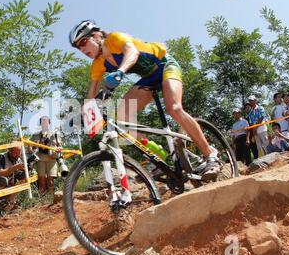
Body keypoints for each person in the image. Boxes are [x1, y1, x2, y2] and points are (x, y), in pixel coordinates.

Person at [68, 20, 221, 181]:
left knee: (174, 108)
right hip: (149, 78)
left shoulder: (114, 38)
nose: (82, 49)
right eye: (78, 47)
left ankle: (210, 154)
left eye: (84, 42)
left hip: (165, 65)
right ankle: (156, 155)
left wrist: (120, 71)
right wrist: (84, 112)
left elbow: (132, 53)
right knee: (121, 118)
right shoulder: (98, 64)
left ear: (97, 35)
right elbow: (91, 93)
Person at [0, 146, 25, 217]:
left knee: (23, 179)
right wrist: (15, 167)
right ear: (9, 150)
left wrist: (26, 171)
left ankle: (8, 206)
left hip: (7, 185)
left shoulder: (18, 159)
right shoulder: (1, 157)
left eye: (19, 153)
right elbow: (0, 173)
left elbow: (19, 175)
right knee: (3, 180)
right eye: (15, 152)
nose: (17, 155)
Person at [31, 116, 62, 196]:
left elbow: (60, 146)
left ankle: (51, 198)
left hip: (52, 159)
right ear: (40, 123)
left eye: (46, 121)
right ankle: (41, 199)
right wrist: (33, 151)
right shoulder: (35, 135)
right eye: (43, 122)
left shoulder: (55, 134)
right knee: (41, 180)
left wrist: (59, 148)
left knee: (50, 180)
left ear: (49, 123)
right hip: (40, 159)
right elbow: (30, 148)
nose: (44, 123)